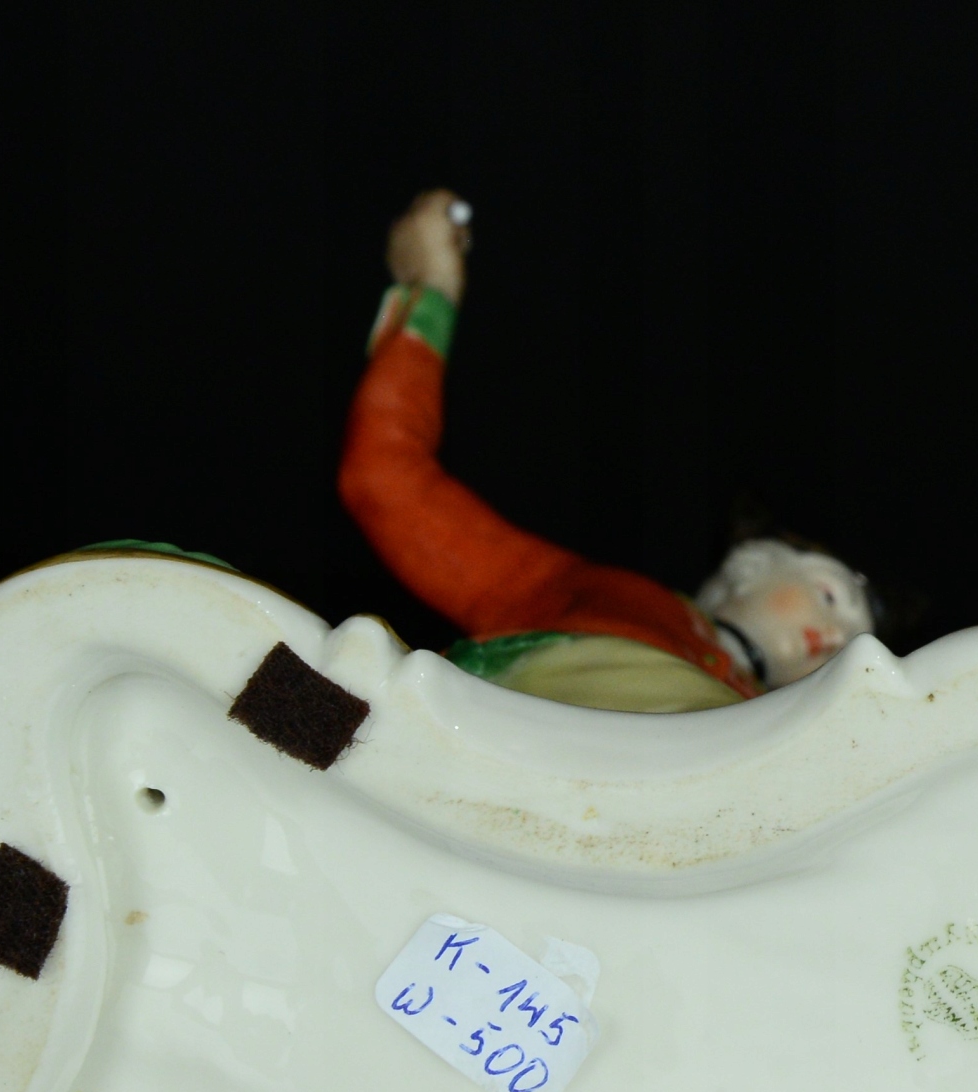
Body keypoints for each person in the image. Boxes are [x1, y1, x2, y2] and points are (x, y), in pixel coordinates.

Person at [340, 189, 878, 713]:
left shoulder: (787, 734)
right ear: (751, 565)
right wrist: (432, 290)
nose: (836, 638)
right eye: (830, 598)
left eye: (853, 645)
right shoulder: (586, 591)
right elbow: (388, 479)